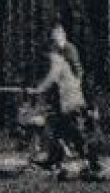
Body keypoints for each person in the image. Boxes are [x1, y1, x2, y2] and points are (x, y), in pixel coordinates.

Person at [33, 36, 100, 177]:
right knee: (60, 130)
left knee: (67, 132)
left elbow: (51, 77)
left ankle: (87, 164)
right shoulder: (65, 62)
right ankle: (56, 162)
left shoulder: (57, 60)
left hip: (70, 102)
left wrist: (38, 89)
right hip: (72, 100)